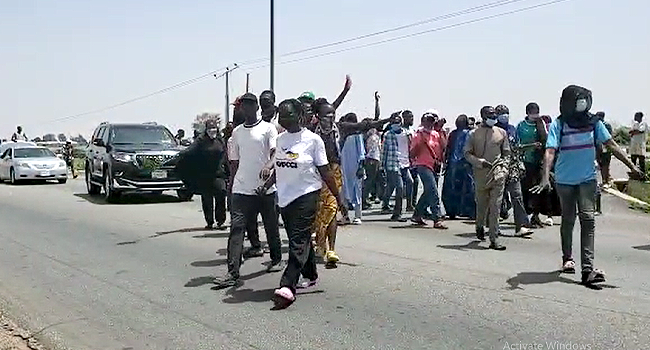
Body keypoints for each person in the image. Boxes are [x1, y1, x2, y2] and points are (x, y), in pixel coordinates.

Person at [533, 85, 644, 285]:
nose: (582, 103)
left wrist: (632, 167)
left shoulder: (594, 123)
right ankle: (567, 258)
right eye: (579, 100)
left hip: (587, 179)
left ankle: (587, 269)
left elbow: (612, 145)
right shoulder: (560, 125)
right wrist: (545, 176)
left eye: (585, 99)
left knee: (588, 219)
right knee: (568, 220)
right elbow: (550, 151)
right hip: (565, 181)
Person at [265, 99, 345, 309]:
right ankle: (310, 273)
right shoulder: (281, 140)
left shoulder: (313, 140)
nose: (283, 119)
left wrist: (339, 198)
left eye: (288, 115)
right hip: (285, 197)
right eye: (281, 115)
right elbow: (280, 166)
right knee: (297, 239)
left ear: (300, 116)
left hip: (307, 195)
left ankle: (287, 285)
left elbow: (325, 171)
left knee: (298, 240)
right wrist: (267, 184)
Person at [212, 93, 284, 289]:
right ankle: (232, 272)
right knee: (236, 229)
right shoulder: (236, 132)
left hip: (264, 189)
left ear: (256, 108)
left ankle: (276, 259)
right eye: (243, 106)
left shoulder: (268, 129)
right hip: (242, 189)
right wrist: (231, 184)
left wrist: (269, 167)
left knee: (270, 226)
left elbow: (274, 153)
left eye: (249, 106)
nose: (246, 109)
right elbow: (234, 162)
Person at [464, 106, 510, 250]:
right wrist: (479, 162)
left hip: (498, 173)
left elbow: (507, 153)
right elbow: (467, 153)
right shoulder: (473, 134)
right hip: (480, 174)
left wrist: (504, 168)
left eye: (494, 114)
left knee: (495, 205)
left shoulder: (501, 132)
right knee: (482, 204)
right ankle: (479, 226)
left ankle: (494, 238)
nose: (493, 117)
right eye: (490, 114)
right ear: (483, 116)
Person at [175, 118, 228, 230]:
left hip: (218, 174)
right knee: (207, 199)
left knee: (221, 194)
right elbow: (190, 151)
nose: (212, 131)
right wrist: (179, 153)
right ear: (206, 130)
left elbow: (226, 154)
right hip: (204, 175)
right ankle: (209, 222)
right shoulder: (201, 140)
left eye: (214, 128)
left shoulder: (220, 140)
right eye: (210, 129)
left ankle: (220, 221)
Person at [495, 105, 533, 237]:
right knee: (497, 198)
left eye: (506, 113)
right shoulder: (493, 131)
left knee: (517, 195)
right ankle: (493, 226)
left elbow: (516, 147)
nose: (504, 115)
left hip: (512, 168)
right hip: (498, 167)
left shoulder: (512, 129)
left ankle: (521, 226)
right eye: (501, 113)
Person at [517, 103, 557, 228]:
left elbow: (548, 141)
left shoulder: (541, 124)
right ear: (528, 113)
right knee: (526, 189)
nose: (535, 115)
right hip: (525, 161)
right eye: (532, 113)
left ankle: (537, 215)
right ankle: (525, 216)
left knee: (542, 189)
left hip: (539, 161)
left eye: (536, 112)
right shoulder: (521, 126)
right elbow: (517, 144)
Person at [410, 111, 447, 229]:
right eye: (428, 120)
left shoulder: (436, 134)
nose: (430, 123)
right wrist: (420, 143)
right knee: (433, 190)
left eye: (432, 121)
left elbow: (443, 147)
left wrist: (441, 130)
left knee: (428, 191)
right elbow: (412, 153)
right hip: (423, 164)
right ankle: (437, 218)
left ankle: (417, 214)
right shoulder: (418, 135)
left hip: (434, 165)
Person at [441, 115, 476, 219]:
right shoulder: (460, 133)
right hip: (459, 164)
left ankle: (457, 211)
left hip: (460, 164)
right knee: (465, 188)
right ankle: (460, 211)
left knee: (459, 188)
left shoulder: (466, 133)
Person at [381, 112, 409, 222]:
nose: (395, 124)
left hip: (405, 163)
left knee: (407, 183)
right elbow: (384, 151)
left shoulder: (406, 134)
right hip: (392, 164)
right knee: (400, 187)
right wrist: (382, 166)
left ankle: (386, 203)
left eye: (397, 122)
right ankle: (397, 214)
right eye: (393, 122)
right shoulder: (388, 135)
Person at [340, 112, 366, 224]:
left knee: (357, 192)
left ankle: (357, 216)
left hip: (355, 168)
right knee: (343, 192)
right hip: (344, 168)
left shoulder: (357, 134)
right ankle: (345, 216)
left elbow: (361, 152)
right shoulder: (342, 136)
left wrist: (361, 167)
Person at [595, 112, 613, 186]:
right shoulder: (596, 125)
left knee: (605, 164)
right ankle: (604, 180)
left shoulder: (606, 125)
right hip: (598, 147)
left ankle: (606, 181)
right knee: (601, 164)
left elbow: (609, 138)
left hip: (605, 147)